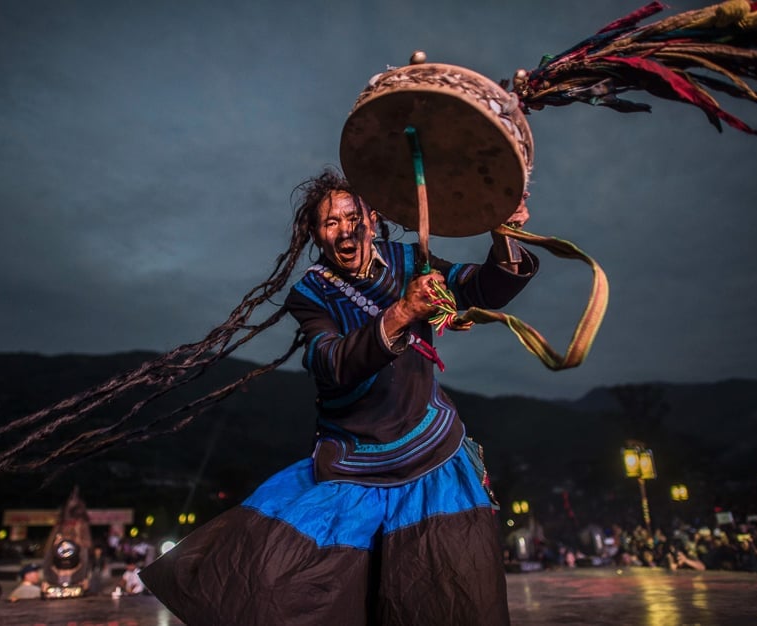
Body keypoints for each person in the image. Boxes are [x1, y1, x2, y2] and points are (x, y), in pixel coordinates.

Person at [141, 169, 538, 625]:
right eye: (331, 222)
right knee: (275, 590)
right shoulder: (310, 293)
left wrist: (503, 233)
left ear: (372, 219)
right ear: (316, 233)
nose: (345, 230)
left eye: (353, 217)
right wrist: (404, 311)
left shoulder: (412, 260)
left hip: (432, 458)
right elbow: (331, 364)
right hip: (352, 465)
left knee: (454, 599)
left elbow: (485, 286)